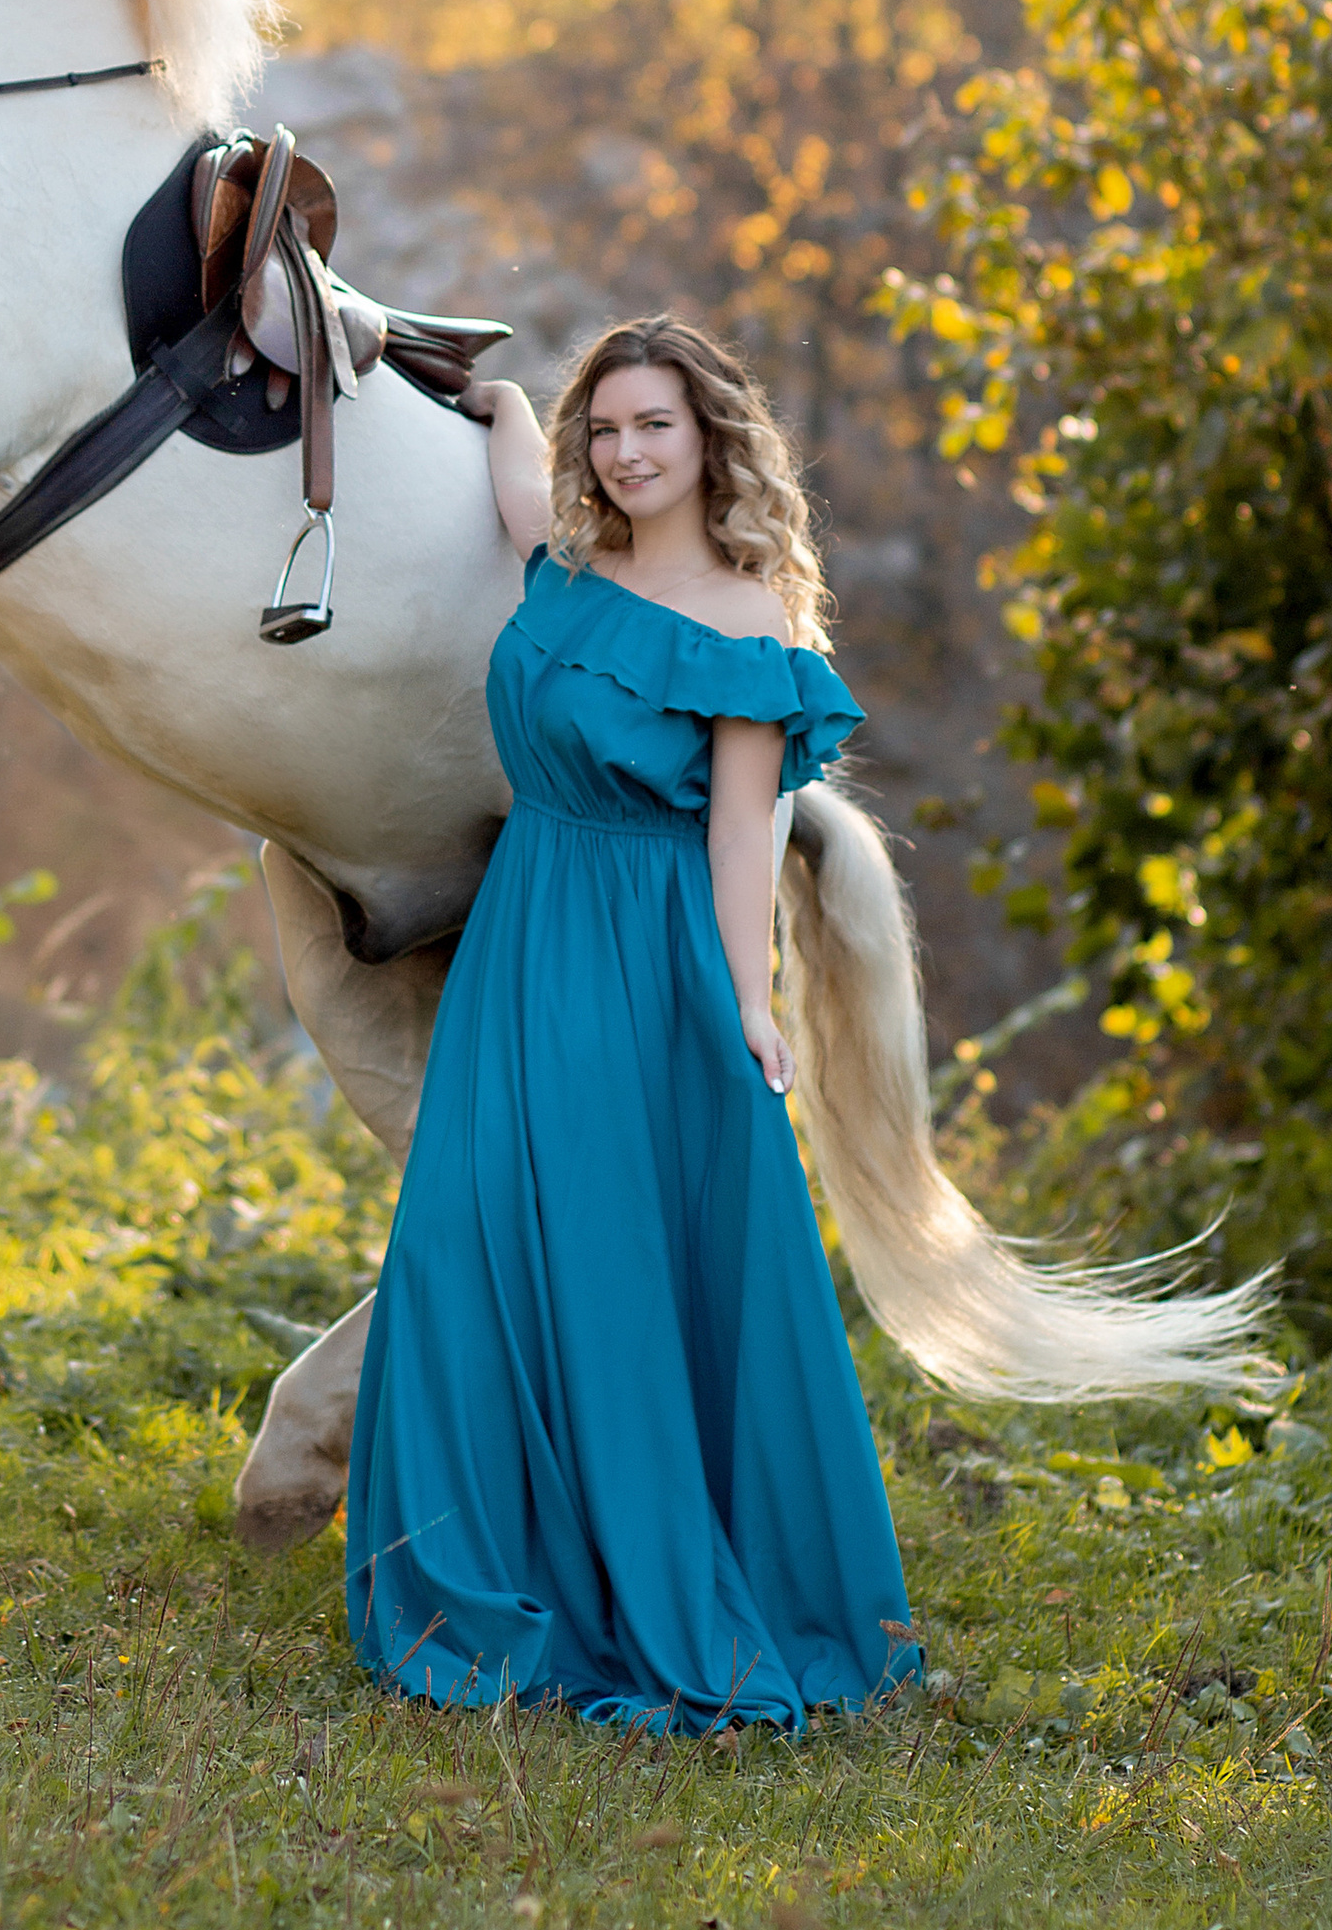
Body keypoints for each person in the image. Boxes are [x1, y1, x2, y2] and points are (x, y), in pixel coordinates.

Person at [345, 313, 919, 1729]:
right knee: (468, 1236)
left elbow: (743, 832)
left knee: (611, 1263)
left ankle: (644, 1574)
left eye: (654, 423)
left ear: (711, 432)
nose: (627, 449)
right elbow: (515, 482)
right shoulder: (569, 559)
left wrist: (747, 999)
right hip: (525, 930)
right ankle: (480, 1558)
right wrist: (491, 405)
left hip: (645, 954)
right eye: (606, 428)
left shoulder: (749, 615)